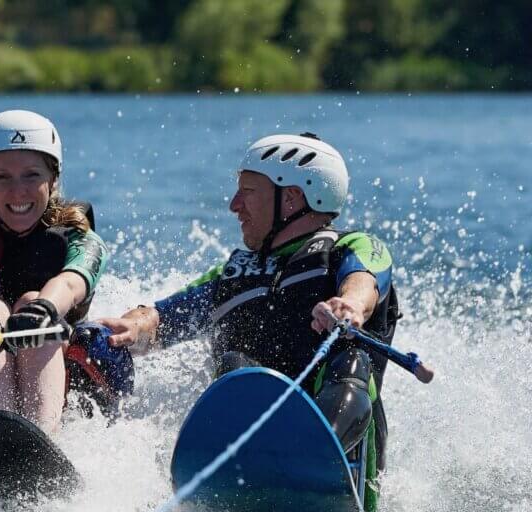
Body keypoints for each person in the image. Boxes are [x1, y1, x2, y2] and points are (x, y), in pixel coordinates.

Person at [99, 133, 399, 491]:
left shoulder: (353, 248)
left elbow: (364, 281)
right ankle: (244, 462)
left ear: (291, 197)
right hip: (245, 454)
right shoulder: (233, 274)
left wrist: (348, 305)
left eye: (249, 192)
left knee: (351, 363)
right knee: (236, 365)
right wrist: (132, 326)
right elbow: (163, 316)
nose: (234, 205)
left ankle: (315, 457)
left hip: (347, 451)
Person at [0, 110, 119, 433]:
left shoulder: (81, 237)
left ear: (54, 177)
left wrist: (44, 308)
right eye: (3, 178)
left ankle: (40, 436)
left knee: (30, 300)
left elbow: (71, 282)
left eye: (31, 175)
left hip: (60, 352)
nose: (19, 192)